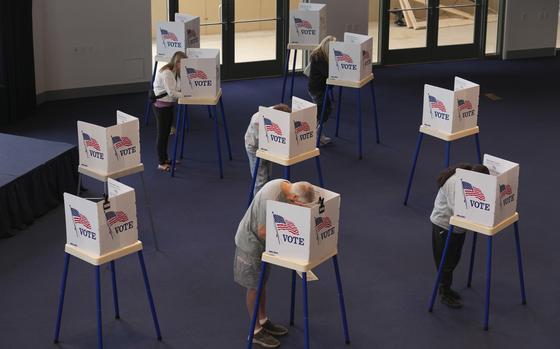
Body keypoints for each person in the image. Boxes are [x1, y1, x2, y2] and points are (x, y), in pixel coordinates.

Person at [234, 179, 316, 348]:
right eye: (299, 204)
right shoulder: (269, 198)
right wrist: (291, 243)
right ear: (293, 196)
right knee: (254, 286)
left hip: (265, 245)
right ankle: (255, 331)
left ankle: (263, 321)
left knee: (262, 283)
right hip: (251, 243)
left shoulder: (286, 186)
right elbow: (262, 231)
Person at [430, 163, 490, 309]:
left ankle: (447, 288)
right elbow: (457, 209)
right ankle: (444, 293)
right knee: (445, 261)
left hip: (457, 227)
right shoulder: (455, 183)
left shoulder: (469, 180)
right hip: (444, 225)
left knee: (454, 258)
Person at [245, 104, 291, 195]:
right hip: (255, 147)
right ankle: (259, 203)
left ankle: (266, 197)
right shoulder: (258, 121)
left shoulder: (279, 111)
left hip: (267, 145)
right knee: (260, 179)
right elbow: (265, 141)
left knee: (268, 175)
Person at [152, 51, 187, 172]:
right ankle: (161, 162)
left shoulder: (175, 72)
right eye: (184, 63)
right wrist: (188, 95)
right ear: (177, 63)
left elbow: (177, 88)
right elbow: (172, 93)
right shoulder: (167, 73)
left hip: (168, 105)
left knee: (167, 133)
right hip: (161, 107)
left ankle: (165, 158)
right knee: (162, 134)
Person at [307, 35, 336, 146]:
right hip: (317, 89)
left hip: (318, 88)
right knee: (323, 111)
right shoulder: (320, 58)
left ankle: (318, 133)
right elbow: (328, 74)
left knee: (324, 109)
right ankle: (316, 135)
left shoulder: (319, 55)